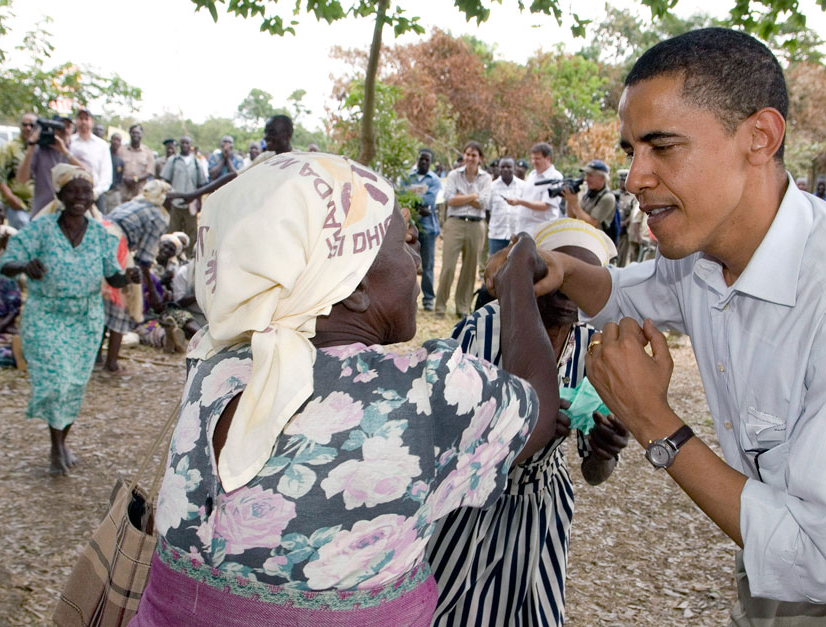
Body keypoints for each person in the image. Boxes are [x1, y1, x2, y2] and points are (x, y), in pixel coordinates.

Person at [491, 27, 826, 624]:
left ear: (759, 137)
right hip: (782, 552)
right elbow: (629, 293)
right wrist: (556, 267)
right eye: (632, 150)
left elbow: (816, 555)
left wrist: (655, 423)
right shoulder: (708, 258)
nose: (635, 178)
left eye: (663, 147)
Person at [130, 152, 560, 626]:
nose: (416, 261)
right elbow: (536, 405)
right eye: (405, 244)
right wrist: (517, 277)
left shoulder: (213, 358)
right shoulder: (422, 390)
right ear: (352, 285)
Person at [429, 218, 627, 626]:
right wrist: (516, 436)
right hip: (470, 506)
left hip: (541, 511)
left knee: (532, 612)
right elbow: (438, 438)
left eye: (581, 281)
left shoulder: (591, 350)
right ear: (538, 275)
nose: (570, 293)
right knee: (450, 608)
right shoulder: (484, 330)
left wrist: (606, 450)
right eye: (561, 276)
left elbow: (594, 472)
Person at [0, 165, 140, 475]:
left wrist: (127, 276)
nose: (80, 197)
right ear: (60, 194)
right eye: (73, 191)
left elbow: (112, 278)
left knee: (74, 383)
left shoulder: (102, 235)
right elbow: (6, 263)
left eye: (86, 192)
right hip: (46, 315)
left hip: (86, 318)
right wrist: (25, 264)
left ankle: (61, 441)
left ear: (92, 197)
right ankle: (55, 446)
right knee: (56, 380)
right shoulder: (41, 229)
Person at [98, 179, 173, 374]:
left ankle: (97, 357)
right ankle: (111, 363)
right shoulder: (157, 216)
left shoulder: (135, 203)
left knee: (103, 300)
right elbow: (144, 261)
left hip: (99, 238)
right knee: (121, 301)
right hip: (116, 245)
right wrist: (154, 296)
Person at [434, 141, 492, 319]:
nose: (470, 158)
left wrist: (462, 197)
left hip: (477, 225)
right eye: (467, 154)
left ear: (480, 159)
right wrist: (474, 196)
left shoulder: (486, 178)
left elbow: (484, 202)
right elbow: (449, 199)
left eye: (474, 155)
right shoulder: (453, 175)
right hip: (455, 224)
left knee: (470, 268)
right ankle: (440, 307)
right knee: (448, 267)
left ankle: (463, 307)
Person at [16, 116, 83, 217]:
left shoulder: (75, 150)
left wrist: (65, 152)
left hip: (67, 215)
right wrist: (30, 149)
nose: (64, 131)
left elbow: (87, 174)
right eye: (60, 128)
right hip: (41, 212)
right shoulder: (40, 150)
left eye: (68, 127)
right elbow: (21, 179)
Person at [404, 148, 442, 310]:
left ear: (431, 162)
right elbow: (402, 195)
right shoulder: (407, 177)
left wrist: (412, 198)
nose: (424, 162)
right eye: (422, 159)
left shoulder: (434, 180)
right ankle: (407, 298)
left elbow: (430, 201)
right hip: (409, 228)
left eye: (428, 160)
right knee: (407, 263)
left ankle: (428, 299)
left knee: (427, 265)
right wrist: (418, 202)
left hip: (428, 229)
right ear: (417, 159)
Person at [160, 136, 208, 249]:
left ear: (190, 145)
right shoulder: (173, 160)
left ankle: (189, 256)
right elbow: (166, 180)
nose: (184, 145)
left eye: (187, 143)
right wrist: (167, 199)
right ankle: (172, 256)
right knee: (173, 231)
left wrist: (199, 201)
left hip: (191, 205)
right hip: (175, 203)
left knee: (191, 232)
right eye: (182, 143)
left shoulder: (196, 162)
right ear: (179, 145)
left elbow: (200, 183)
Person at [508, 142, 562, 236]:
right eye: (533, 158)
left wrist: (520, 202)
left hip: (541, 229)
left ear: (548, 158)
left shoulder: (555, 177)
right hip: (523, 227)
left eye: (537, 159)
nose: (534, 162)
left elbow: (545, 205)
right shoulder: (532, 175)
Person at [0, 113, 37, 229]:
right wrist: (10, 198)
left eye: (32, 125)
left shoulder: (41, 148)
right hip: (17, 204)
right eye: (25, 125)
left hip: (37, 205)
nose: (28, 128)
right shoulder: (9, 147)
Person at [564, 160, 618, 240]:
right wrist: (569, 199)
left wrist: (574, 203)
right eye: (586, 175)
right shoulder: (588, 193)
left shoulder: (608, 198)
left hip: (597, 242)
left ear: (602, 178)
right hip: (582, 238)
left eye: (590, 175)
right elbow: (572, 217)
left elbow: (592, 223)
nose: (586, 179)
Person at [67, 109, 111, 205]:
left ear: (92, 122)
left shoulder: (101, 145)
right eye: (80, 118)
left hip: (95, 194)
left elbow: (106, 174)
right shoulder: (69, 142)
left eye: (86, 119)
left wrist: (95, 192)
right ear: (76, 121)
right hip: (71, 195)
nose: (83, 122)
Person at [486, 156, 525, 256]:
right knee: (496, 268)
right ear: (498, 168)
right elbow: (487, 211)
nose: (505, 169)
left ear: (514, 168)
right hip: (496, 235)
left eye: (509, 167)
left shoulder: (523, 186)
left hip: (517, 235)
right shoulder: (491, 187)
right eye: (502, 167)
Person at [116, 124, 156, 202]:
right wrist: (125, 179)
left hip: (140, 191)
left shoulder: (148, 152)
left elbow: (150, 172)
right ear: (130, 134)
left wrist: (135, 179)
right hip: (124, 190)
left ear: (142, 135)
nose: (135, 135)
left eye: (138, 133)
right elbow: (116, 168)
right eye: (133, 133)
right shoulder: (121, 151)